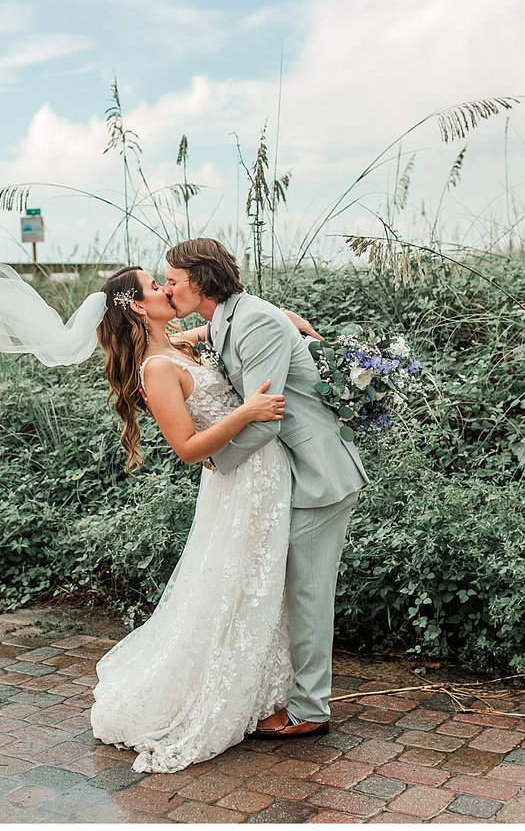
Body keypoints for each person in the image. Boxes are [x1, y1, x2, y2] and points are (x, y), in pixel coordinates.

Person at [88, 264, 328, 773]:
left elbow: (225, 324)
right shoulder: (156, 368)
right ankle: (224, 693)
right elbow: (188, 448)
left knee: (261, 580)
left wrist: (283, 318)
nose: (166, 289)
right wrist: (246, 412)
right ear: (137, 306)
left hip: (262, 472)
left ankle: (266, 687)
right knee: (239, 582)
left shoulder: (178, 343)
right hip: (237, 482)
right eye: (156, 286)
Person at [163, 238, 369, 739]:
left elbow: (266, 418)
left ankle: (310, 710)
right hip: (294, 472)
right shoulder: (227, 317)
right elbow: (213, 336)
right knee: (287, 588)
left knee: (307, 593)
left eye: (172, 281)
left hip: (319, 472)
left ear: (201, 281)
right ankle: (290, 692)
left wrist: (217, 462)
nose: (167, 290)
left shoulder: (253, 321)